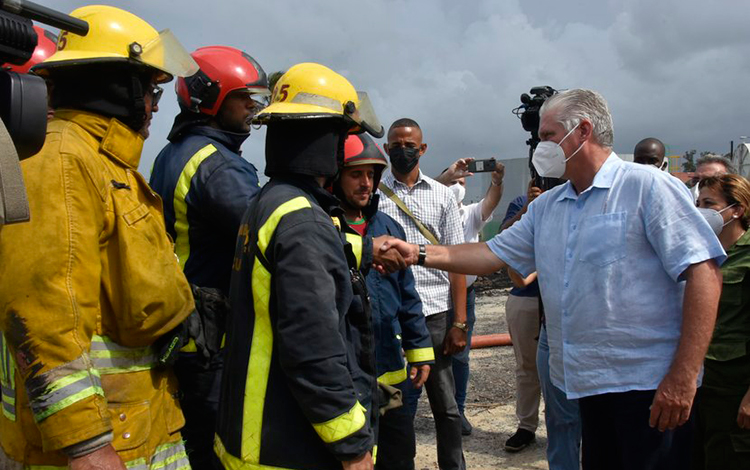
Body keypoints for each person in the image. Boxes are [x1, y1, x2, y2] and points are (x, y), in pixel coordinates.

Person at [381, 89, 726, 470]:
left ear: (582, 131)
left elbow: (703, 274)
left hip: (648, 388)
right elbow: (489, 254)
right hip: (589, 390)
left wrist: (683, 377)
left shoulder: (646, 188)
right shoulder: (549, 205)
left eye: (546, 136)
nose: (539, 147)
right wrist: (418, 253)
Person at [0, 5, 198, 469]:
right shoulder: (61, 161)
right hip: (99, 445)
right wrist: (85, 444)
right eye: (150, 90)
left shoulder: (109, 165)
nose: (154, 105)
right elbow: (44, 314)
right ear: (118, 87)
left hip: (139, 426)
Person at [215, 63, 402, 470]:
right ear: (326, 141)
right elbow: (314, 348)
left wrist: (367, 250)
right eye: (342, 137)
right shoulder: (303, 222)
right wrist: (353, 447)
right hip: (288, 446)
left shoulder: (271, 202)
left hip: (252, 436)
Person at [148, 45, 269, 470]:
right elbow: (269, 233)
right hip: (210, 335)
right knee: (218, 446)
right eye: (243, 98)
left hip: (185, 324)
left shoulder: (174, 152)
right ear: (209, 98)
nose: (252, 108)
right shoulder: (217, 167)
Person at [334, 133, 434, 470]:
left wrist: (419, 350)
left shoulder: (388, 227)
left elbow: (408, 296)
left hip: (392, 376)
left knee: (399, 457)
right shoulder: (322, 228)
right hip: (346, 382)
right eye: (355, 174)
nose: (366, 184)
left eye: (372, 175)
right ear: (336, 175)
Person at [378, 118, 467, 469]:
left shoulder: (443, 195)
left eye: (409, 144)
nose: (403, 149)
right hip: (393, 318)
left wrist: (459, 323)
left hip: (435, 316)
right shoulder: (375, 195)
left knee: (447, 410)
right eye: (396, 144)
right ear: (386, 150)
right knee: (398, 409)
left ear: (423, 148)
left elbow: (457, 260)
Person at [436, 158, 505, 435]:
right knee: (428, 354)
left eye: (462, 183)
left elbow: (491, 200)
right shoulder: (430, 208)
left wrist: (497, 180)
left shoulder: (471, 214)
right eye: (453, 181)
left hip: (467, 294)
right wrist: (445, 179)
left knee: (461, 357)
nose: (457, 187)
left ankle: (458, 411)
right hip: (435, 294)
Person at [694, 174, 750, 469]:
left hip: (734, 386)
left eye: (709, 204)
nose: (700, 210)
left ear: (737, 209)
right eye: (698, 203)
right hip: (702, 383)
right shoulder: (699, 254)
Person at [498, 182, 543, 452]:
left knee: (563, 369)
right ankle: (526, 426)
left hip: (562, 296)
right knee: (527, 367)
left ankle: (566, 424)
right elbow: (503, 239)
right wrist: (527, 208)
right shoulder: (519, 203)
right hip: (526, 298)